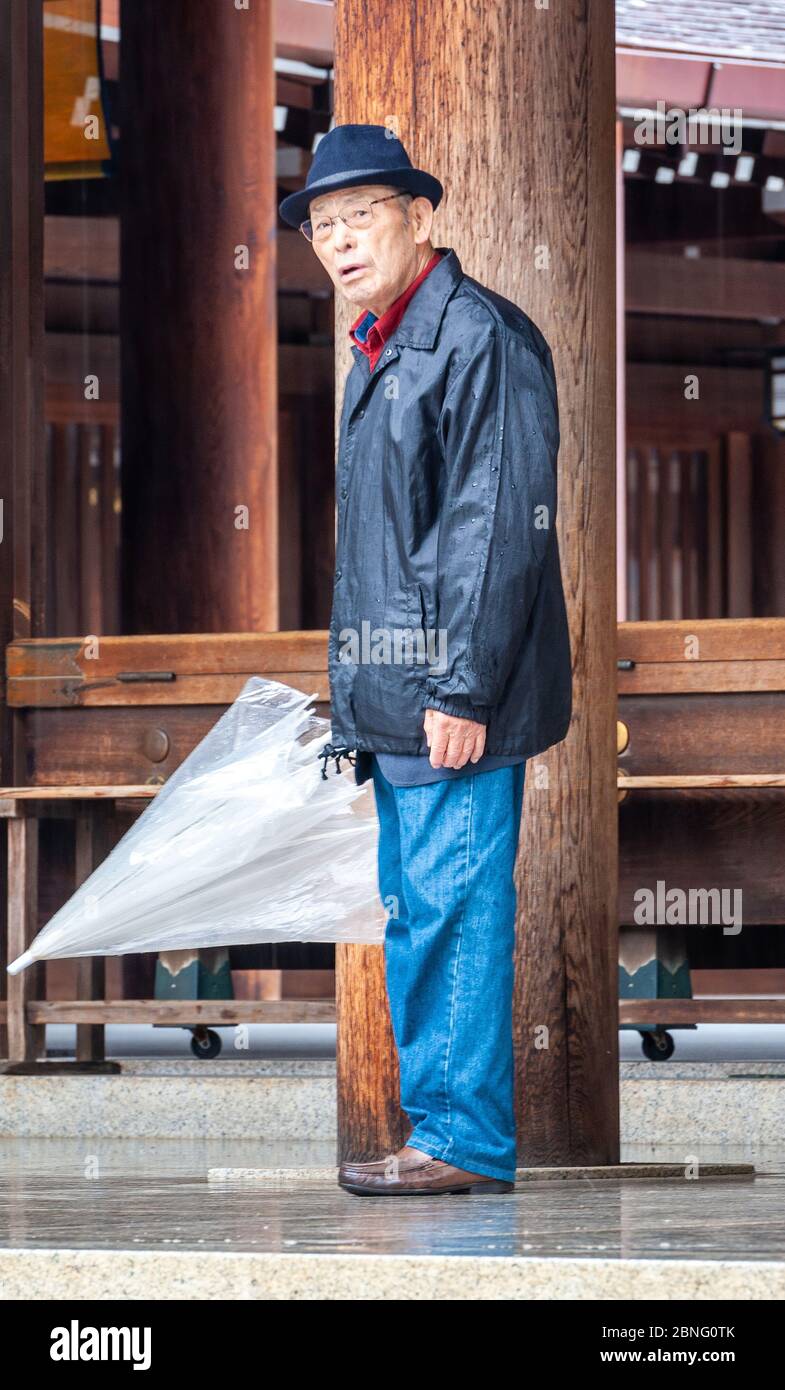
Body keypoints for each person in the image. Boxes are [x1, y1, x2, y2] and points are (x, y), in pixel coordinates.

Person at [279, 124, 572, 1195]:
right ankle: (438, 1132)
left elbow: (496, 524)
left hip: (454, 696)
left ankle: (459, 1142)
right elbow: (386, 550)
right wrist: (356, 698)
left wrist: (461, 686)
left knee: (453, 913)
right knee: (418, 915)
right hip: (397, 694)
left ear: (420, 218)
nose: (341, 241)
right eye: (322, 225)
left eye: (362, 215)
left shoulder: (477, 336)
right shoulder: (378, 346)